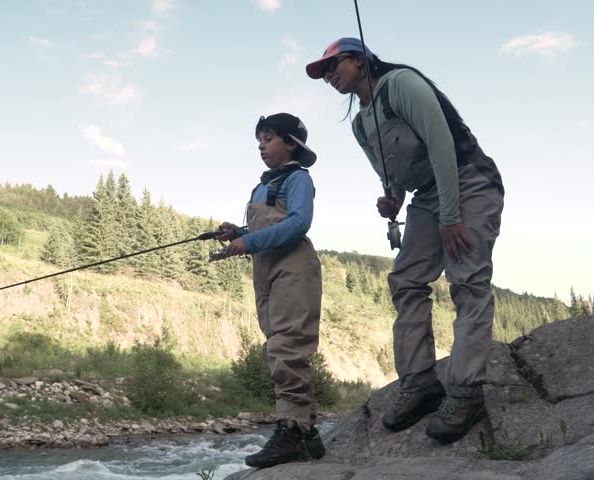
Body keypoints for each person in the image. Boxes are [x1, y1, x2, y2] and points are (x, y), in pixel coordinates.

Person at [305, 38, 505, 443]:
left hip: (469, 179)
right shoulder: (361, 123)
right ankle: (420, 383)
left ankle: (466, 392)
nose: (328, 77)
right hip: (427, 196)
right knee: (406, 281)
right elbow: (391, 174)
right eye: (323, 73)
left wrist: (451, 216)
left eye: (333, 66)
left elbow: (442, 144)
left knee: (467, 280)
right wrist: (392, 197)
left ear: (359, 60)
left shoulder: (401, 83)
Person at [215, 113, 326, 467]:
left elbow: (299, 222)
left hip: (293, 268)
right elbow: (263, 227)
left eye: (268, 138)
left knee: (286, 346)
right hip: (265, 272)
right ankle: (308, 433)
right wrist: (236, 233)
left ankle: (292, 430)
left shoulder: (298, 179)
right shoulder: (261, 185)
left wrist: (248, 242)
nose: (261, 146)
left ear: (290, 143)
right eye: (259, 140)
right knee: (275, 347)